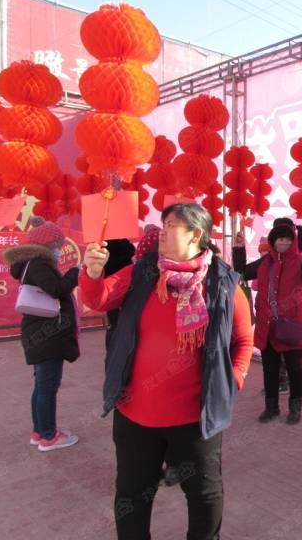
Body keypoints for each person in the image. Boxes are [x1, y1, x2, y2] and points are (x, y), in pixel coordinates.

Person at [79, 203, 253, 540]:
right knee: (132, 495)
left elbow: (243, 339)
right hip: (135, 416)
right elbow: (98, 299)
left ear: (196, 234)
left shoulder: (223, 283)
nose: (162, 232)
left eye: (171, 225)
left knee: (203, 496)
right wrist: (92, 272)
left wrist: (233, 381)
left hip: (195, 419)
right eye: (163, 224)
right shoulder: (142, 274)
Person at [232, 217, 302, 424]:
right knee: (270, 370)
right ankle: (271, 408)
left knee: (294, 370)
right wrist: (239, 249)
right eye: (279, 238)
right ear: (272, 241)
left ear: (293, 240)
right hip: (267, 326)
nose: (283, 242)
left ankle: (295, 409)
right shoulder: (266, 262)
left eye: (287, 238)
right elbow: (242, 272)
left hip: (292, 327)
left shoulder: (301, 262)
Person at [2, 216, 80, 452]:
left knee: (42, 385)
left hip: (40, 333)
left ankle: (40, 431)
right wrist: (74, 273)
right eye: (58, 244)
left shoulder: (30, 263)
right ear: (48, 244)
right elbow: (57, 289)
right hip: (47, 335)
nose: (60, 248)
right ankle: (48, 436)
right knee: (47, 386)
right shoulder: (39, 264)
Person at [102, 238, 136, 350]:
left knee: (113, 320)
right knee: (127, 316)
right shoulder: (125, 244)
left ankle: (112, 350)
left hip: (109, 284)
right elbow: (132, 253)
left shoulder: (104, 244)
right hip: (125, 283)